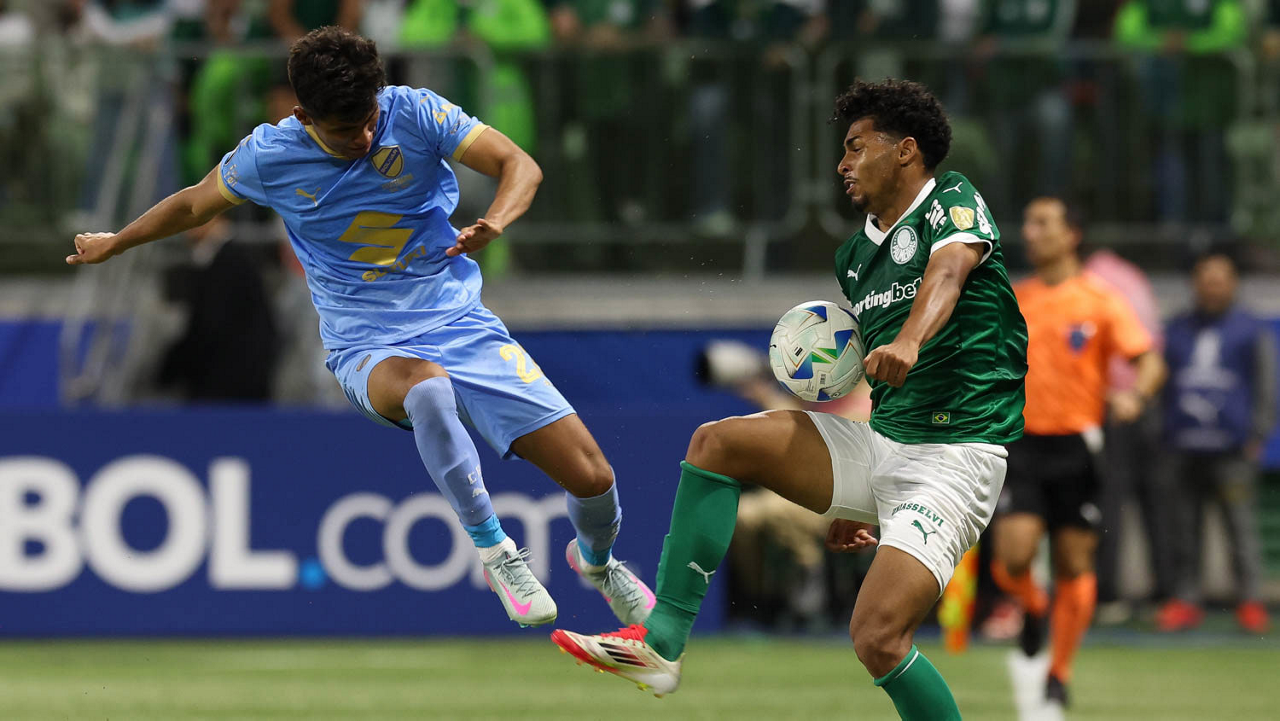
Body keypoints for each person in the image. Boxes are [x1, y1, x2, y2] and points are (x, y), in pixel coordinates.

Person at [64, 26, 654, 630]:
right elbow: (193, 204)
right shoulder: (270, 155)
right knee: (427, 389)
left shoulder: (416, 112)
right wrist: (117, 242)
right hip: (367, 344)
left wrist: (496, 220)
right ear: (304, 116)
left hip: (461, 323)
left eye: (370, 120)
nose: (365, 138)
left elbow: (517, 164)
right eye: (347, 131)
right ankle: (496, 551)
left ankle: (598, 564)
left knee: (593, 477)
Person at [552, 78, 1028, 721]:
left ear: (906, 150)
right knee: (718, 444)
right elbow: (883, 370)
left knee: (878, 638)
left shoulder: (951, 198)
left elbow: (947, 273)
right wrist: (863, 495)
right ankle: (661, 644)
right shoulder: (855, 256)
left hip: (953, 456)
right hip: (884, 443)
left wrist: (912, 340)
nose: (842, 163)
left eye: (857, 146)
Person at [991, 197, 1166, 708]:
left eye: (1043, 223)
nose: (1030, 231)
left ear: (1072, 235)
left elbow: (1148, 360)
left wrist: (1136, 395)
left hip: (1078, 447)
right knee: (1012, 559)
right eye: (1027, 222)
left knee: (1074, 563)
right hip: (1021, 443)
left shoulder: (1100, 299)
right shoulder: (1015, 297)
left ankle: (1060, 672)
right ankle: (1032, 604)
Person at [1157, 252, 1276, 634]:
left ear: (1233, 283)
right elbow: (1159, 380)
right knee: (1183, 530)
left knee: (1240, 528)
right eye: (1206, 279)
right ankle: (1185, 600)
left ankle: (1250, 601)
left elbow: (1266, 383)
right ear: (1195, 283)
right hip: (1182, 446)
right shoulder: (1176, 328)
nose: (1212, 286)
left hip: (1232, 449)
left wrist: (1257, 433)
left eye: (1220, 279)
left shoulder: (1249, 329)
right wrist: (1160, 430)